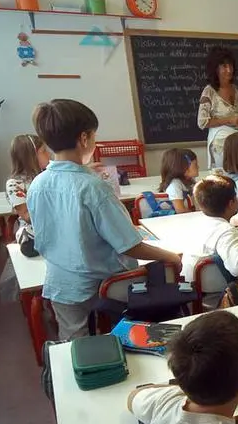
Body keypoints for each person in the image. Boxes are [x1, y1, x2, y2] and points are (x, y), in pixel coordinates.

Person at [27, 99, 182, 340]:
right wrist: (169, 256)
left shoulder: (37, 184)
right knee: (131, 328)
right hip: (100, 285)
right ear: (84, 139)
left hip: (60, 282)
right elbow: (130, 244)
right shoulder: (92, 187)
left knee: (74, 342)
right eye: (94, 135)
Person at [180, 175, 238, 284]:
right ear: (231, 203)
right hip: (219, 289)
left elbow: (232, 219)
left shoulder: (199, 222)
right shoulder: (226, 231)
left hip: (193, 287)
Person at [6, 133, 50, 256]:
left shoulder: (49, 174)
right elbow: (26, 216)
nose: (49, 155)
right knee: (27, 241)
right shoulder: (15, 184)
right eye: (44, 151)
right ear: (31, 157)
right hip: (34, 228)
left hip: (55, 223)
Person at [158, 148, 199, 213]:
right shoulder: (175, 185)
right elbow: (180, 210)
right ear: (184, 168)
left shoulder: (189, 182)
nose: (198, 167)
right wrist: (197, 214)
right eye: (195, 165)